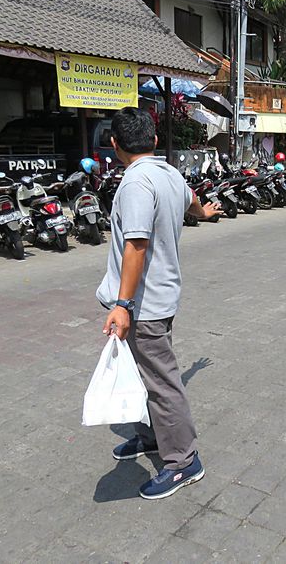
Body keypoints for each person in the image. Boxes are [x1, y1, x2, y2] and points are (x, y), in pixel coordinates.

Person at [96, 107, 221, 500]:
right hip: (160, 299)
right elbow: (191, 200)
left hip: (143, 306)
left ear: (115, 145)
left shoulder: (135, 184)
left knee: (163, 384)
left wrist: (122, 304)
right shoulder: (168, 173)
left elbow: (136, 244)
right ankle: (151, 436)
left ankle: (184, 462)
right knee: (146, 376)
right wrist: (205, 211)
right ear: (152, 140)